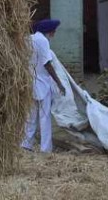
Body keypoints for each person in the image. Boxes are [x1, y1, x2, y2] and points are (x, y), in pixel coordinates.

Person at [22, 18, 67, 154]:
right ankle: (45, 149)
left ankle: (26, 144)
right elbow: (47, 64)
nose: (54, 34)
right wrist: (59, 83)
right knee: (45, 117)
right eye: (54, 31)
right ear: (49, 31)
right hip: (42, 84)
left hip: (29, 82)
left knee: (30, 116)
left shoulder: (28, 39)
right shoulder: (43, 41)